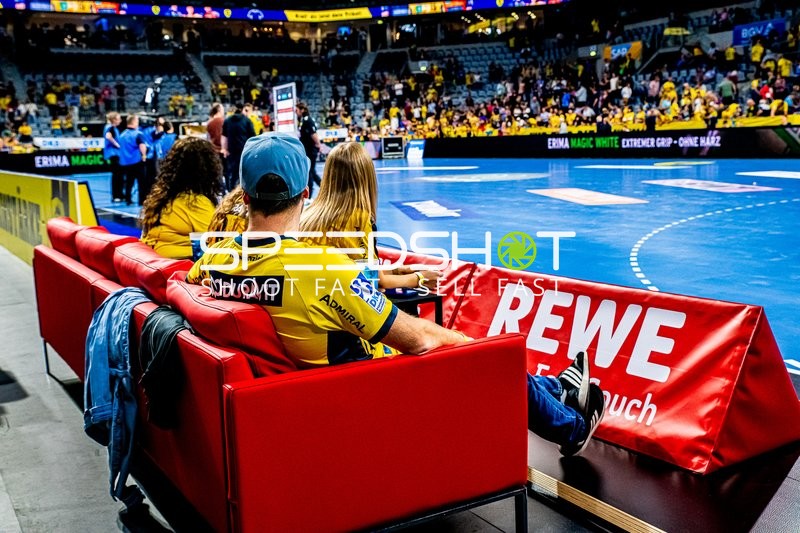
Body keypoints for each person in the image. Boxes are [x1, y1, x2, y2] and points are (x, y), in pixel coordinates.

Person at [187, 133, 606, 456]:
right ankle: (572, 426)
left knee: (472, 351)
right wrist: (466, 344)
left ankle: (558, 389)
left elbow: (197, 280)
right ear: (304, 194)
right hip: (369, 393)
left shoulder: (214, 256)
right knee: (481, 355)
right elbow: (417, 339)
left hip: (293, 398)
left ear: (243, 196)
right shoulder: (318, 268)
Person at [300, 142, 441, 291]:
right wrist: (419, 278)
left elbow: (352, 268)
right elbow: (373, 281)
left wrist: (398, 271)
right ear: (367, 177)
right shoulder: (355, 219)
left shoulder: (309, 214)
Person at [140, 137, 223, 259]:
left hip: (153, 260)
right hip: (177, 266)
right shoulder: (195, 202)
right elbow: (219, 241)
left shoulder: (160, 198)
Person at [221, 104, 255, 191]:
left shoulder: (227, 121)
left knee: (232, 175)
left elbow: (224, 137)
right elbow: (252, 138)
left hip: (231, 152)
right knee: (244, 174)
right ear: (243, 110)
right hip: (244, 152)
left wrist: (224, 149)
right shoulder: (247, 121)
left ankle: (231, 192)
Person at [117, 115, 147, 206]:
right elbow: (142, 145)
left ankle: (128, 199)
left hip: (125, 162)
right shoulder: (138, 134)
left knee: (129, 181)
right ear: (134, 122)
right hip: (136, 160)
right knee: (141, 182)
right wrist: (144, 155)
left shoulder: (122, 135)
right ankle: (141, 200)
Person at [296, 102, 321, 196]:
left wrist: (319, 145)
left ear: (302, 110)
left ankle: (309, 196)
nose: (296, 112)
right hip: (307, 150)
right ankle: (324, 188)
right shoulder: (303, 120)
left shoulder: (307, 120)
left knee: (309, 172)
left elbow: (313, 134)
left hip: (310, 150)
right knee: (312, 172)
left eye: (297, 110)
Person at [103, 112, 124, 202]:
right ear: (114, 119)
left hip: (118, 154)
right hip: (113, 154)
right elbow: (108, 136)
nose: (120, 120)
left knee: (120, 175)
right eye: (119, 118)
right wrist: (117, 145)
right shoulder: (109, 127)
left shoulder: (115, 129)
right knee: (116, 175)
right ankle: (116, 196)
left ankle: (120, 194)